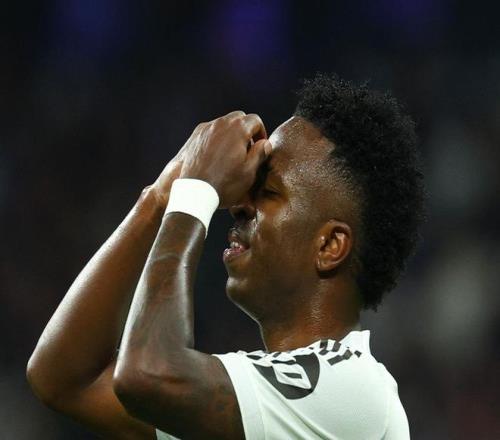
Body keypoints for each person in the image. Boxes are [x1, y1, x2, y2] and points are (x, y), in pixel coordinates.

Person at [27, 73, 425, 439]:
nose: (238, 205)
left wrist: (195, 192)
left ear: (329, 247)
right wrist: (161, 196)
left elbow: (146, 375)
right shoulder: (269, 408)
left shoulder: (351, 388)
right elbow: (65, 380)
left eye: (268, 193)